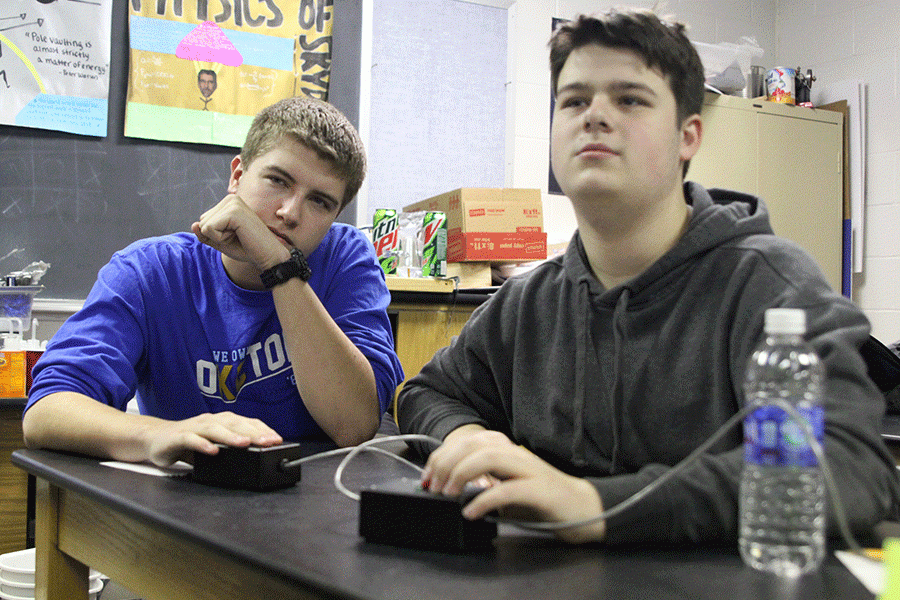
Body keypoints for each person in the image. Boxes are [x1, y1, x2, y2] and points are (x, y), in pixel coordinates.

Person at [396, 9, 900, 545]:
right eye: (573, 100)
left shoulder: (770, 285)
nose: (594, 116)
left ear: (689, 137)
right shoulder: (528, 303)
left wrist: (595, 505)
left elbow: (852, 471)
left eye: (630, 99)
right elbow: (426, 392)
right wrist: (469, 441)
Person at [24, 96, 404, 467]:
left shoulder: (345, 258)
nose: (290, 212)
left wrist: (279, 266)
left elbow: (354, 425)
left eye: (319, 202)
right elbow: (46, 411)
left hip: (312, 505)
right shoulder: (150, 271)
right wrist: (156, 435)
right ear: (237, 176)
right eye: (277, 180)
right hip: (184, 502)